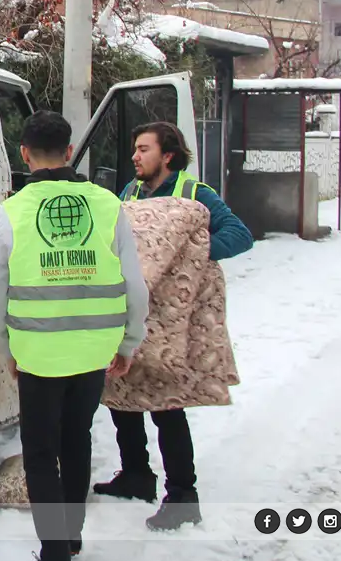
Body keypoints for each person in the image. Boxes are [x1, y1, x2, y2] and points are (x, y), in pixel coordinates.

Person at [0, 110, 150, 561]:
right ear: (71, 152)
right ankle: (69, 537)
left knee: (41, 453)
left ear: (25, 155)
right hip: (94, 349)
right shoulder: (106, 204)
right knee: (77, 441)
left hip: (39, 352)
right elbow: (134, 284)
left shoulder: (11, 211)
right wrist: (128, 342)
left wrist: (4, 344)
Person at [93, 120, 253, 531]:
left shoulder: (195, 194)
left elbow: (240, 234)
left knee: (167, 403)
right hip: (135, 309)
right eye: (135, 149)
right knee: (121, 390)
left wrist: (189, 257)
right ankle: (136, 475)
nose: (135, 156)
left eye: (143, 149)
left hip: (172, 321)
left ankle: (183, 495)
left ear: (167, 155)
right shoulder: (128, 194)